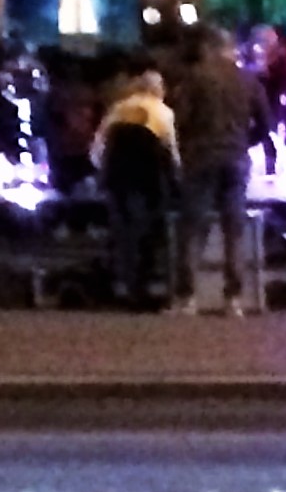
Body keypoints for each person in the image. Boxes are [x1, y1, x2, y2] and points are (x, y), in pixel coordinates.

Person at [170, 27, 270, 314]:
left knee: (194, 227)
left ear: (208, 47)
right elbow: (265, 123)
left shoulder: (195, 77)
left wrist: (188, 143)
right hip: (236, 157)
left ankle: (188, 297)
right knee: (234, 228)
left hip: (201, 156)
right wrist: (245, 142)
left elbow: (181, 119)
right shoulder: (248, 80)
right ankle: (234, 299)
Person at [96, 68, 179, 313]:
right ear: (159, 89)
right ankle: (142, 289)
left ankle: (125, 286)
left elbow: (98, 147)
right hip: (147, 182)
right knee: (144, 234)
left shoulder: (118, 109)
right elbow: (171, 149)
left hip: (117, 180)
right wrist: (176, 178)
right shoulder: (162, 112)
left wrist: (103, 174)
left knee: (122, 235)